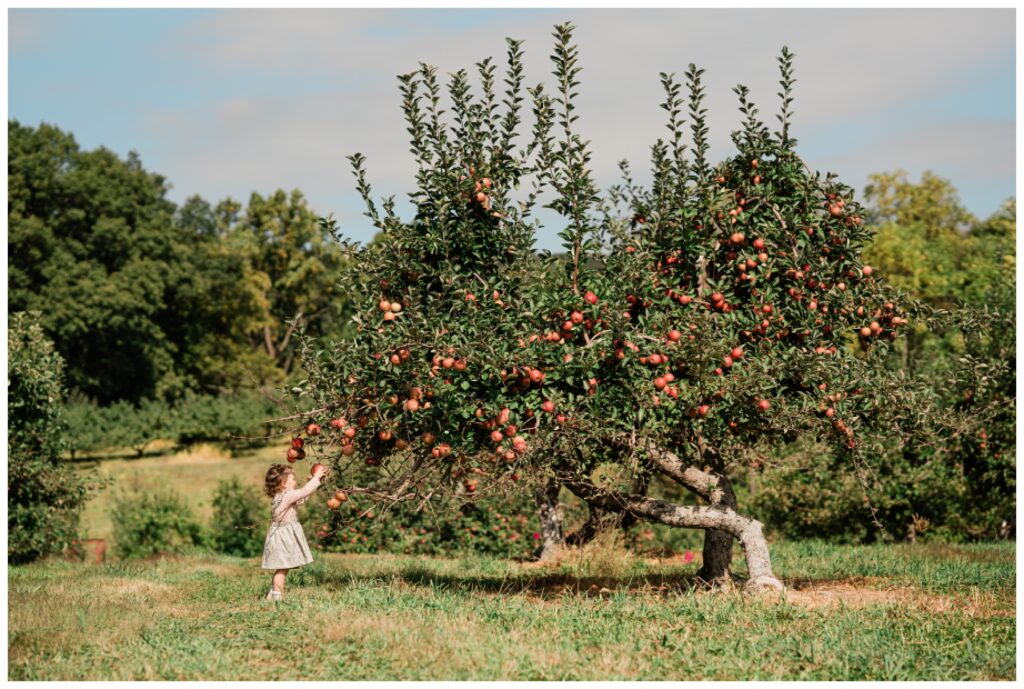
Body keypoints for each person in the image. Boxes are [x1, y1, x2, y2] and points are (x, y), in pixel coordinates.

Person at [262, 463, 327, 601]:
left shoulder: (282, 495)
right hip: (283, 537)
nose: (295, 481)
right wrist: (316, 478)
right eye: (293, 479)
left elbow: (301, 498)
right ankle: (277, 596)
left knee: (283, 567)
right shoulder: (286, 495)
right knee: (283, 568)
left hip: (280, 535)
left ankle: (272, 592)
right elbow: (303, 492)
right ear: (283, 483)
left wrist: (312, 482)